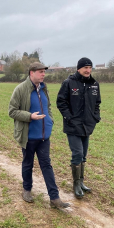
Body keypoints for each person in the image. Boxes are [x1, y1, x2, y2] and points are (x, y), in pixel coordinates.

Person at [9, 62, 70, 209]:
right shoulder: (20, 89)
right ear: (31, 73)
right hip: (28, 136)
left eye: (44, 72)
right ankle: (27, 190)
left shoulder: (43, 88)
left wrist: (50, 120)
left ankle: (54, 198)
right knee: (28, 164)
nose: (43, 74)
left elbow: (48, 106)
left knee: (46, 165)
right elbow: (12, 111)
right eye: (40, 72)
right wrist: (30, 116)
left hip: (44, 136)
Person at [56, 57, 101, 199]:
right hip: (73, 126)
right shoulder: (69, 83)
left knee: (83, 155)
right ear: (78, 69)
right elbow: (61, 102)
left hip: (87, 126)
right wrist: (69, 117)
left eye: (90, 68)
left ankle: (81, 182)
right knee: (77, 153)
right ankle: (75, 184)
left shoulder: (94, 84)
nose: (88, 70)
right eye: (85, 68)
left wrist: (95, 117)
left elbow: (97, 103)